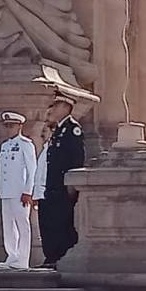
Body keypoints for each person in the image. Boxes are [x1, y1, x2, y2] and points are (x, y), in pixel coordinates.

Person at [37, 91, 86, 269]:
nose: (52, 109)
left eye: (56, 105)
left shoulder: (72, 129)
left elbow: (76, 159)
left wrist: (71, 185)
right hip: (52, 186)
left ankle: (62, 257)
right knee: (50, 222)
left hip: (64, 187)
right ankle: (52, 257)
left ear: (66, 107)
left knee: (63, 223)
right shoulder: (58, 130)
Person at [0, 111, 36, 270]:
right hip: (6, 191)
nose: (8, 129)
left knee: (22, 226)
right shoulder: (5, 145)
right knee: (8, 227)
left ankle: (23, 259)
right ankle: (12, 256)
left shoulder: (26, 144)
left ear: (20, 126)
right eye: (6, 126)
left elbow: (32, 169)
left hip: (20, 192)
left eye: (11, 125)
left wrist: (28, 191)